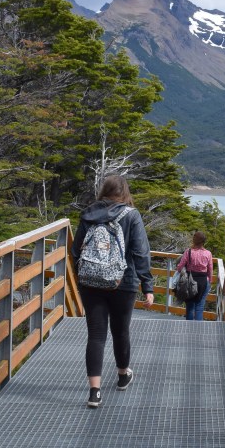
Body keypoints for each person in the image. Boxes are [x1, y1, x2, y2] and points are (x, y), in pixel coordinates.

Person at [71, 175, 154, 408]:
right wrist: (147, 286)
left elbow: (76, 250)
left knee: (96, 335)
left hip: (90, 283)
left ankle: (94, 392)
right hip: (123, 281)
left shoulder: (88, 214)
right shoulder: (131, 215)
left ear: (104, 191)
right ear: (125, 192)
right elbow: (140, 252)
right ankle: (122, 375)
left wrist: (83, 277)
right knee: (121, 331)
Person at [175, 231, 214, 321]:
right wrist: (210, 281)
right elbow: (210, 269)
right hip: (203, 281)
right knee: (199, 307)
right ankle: (198, 330)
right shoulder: (208, 253)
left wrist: (180, 269)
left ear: (194, 240)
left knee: (190, 307)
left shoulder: (188, 252)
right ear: (203, 241)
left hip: (189, 281)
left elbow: (180, 267)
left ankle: (189, 329)